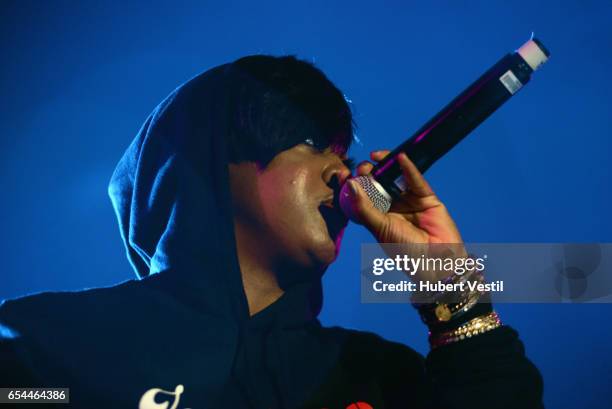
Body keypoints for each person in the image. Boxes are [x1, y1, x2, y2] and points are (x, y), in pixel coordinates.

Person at [0, 55, 543, 408]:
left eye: (343, 155)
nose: (342, 173)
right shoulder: (49, 345)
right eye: (310, 143)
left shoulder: (379, 378)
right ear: (213, 161)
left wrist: (452, 289)